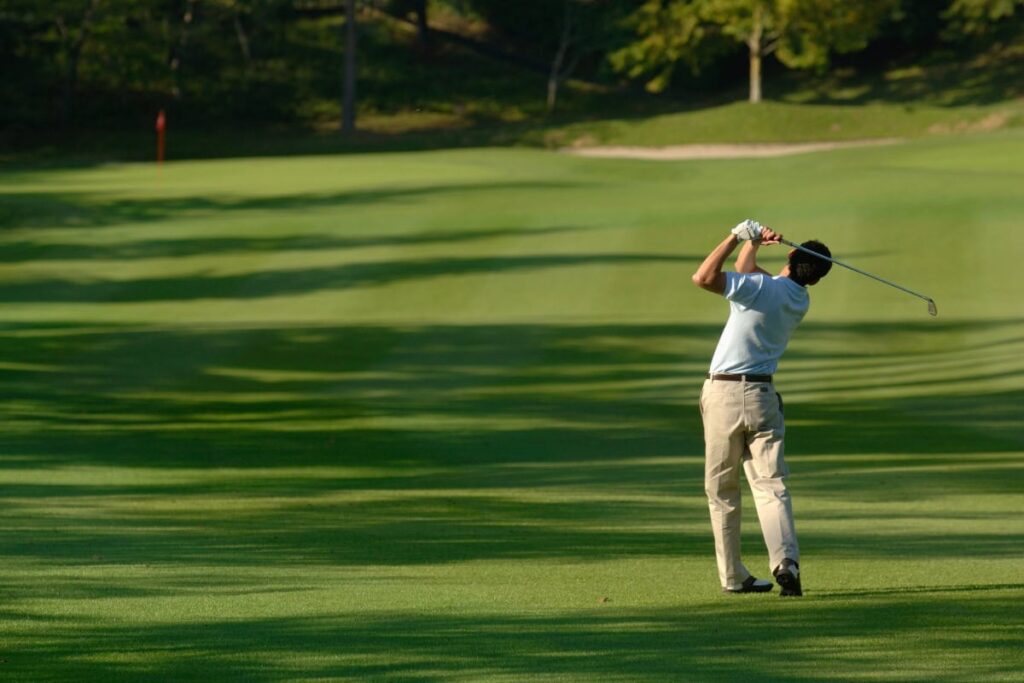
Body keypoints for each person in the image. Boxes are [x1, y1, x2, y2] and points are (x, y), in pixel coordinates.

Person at [690, 220, 833, 597]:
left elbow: (703, 277)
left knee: (723, 490)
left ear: (790, 254)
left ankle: (734, 577)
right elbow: (748, 275)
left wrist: (737, 237)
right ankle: (787, 561)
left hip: (724, 396)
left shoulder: (759, 289)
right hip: (764, 399)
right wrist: (752, 245)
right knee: (771, 485)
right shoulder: (798, 299)